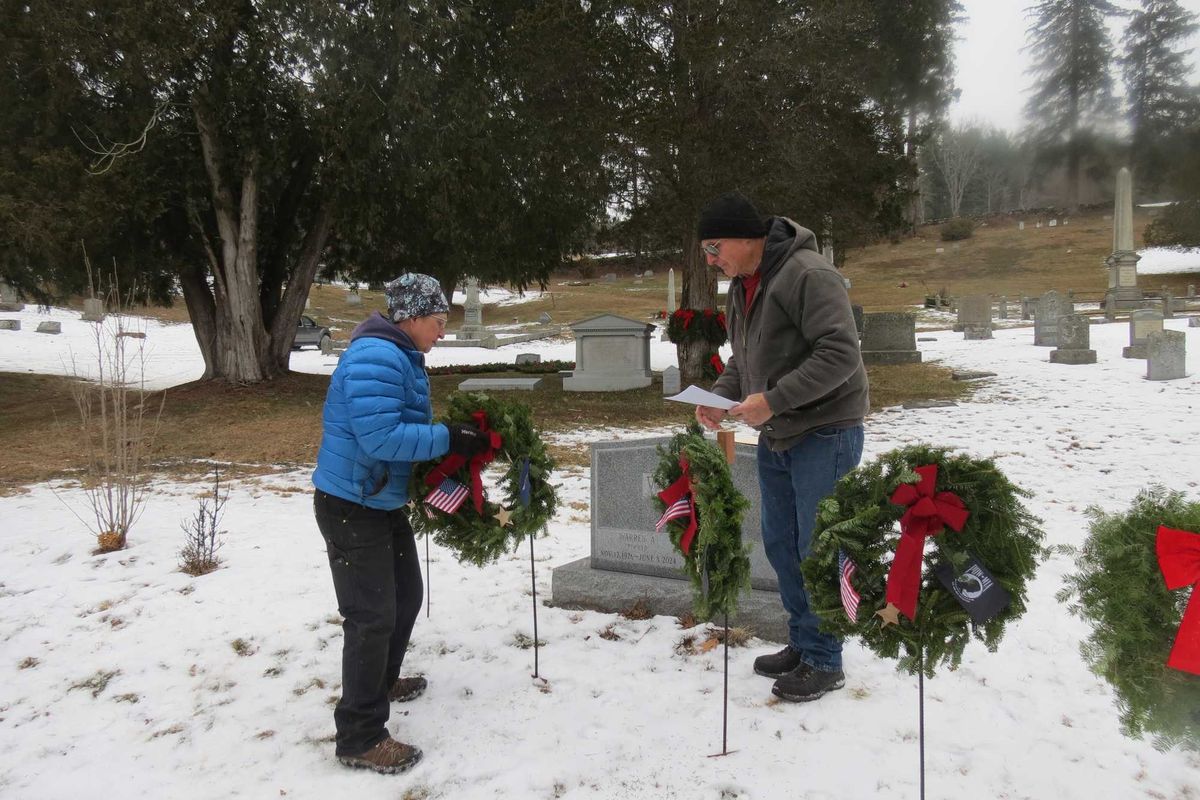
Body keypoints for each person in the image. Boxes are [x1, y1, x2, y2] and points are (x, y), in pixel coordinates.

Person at [312, 273, 491, 773]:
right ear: (411, 317)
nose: (441, 332)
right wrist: (447, 438)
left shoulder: (397, 355)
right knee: (371, 617)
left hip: (377, 500)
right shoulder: (377, 357)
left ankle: (383, 680)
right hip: (352, 505)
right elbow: (381, 439)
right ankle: (360, 734)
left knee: (406, 596)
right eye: (437, 322)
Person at [693, 192, 867, 703]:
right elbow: (741, 361)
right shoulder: (744, 286)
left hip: (826, 431)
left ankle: (826, 659)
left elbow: (841, 355)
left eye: (714, 246)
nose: (710, 259)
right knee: (781, 544)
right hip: (779, 431)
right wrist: (719, 399)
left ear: (747, 239)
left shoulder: (809, 275)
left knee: (817, 548)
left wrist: (772, 400)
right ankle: (803, 641)